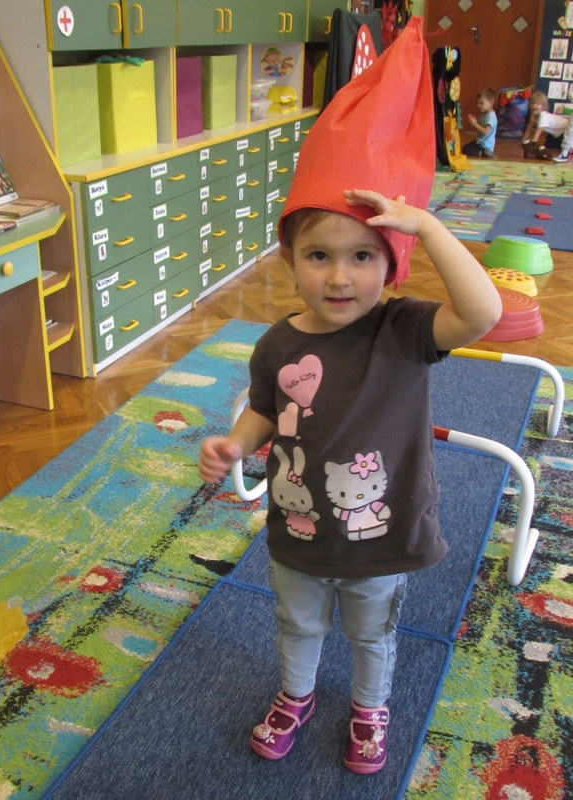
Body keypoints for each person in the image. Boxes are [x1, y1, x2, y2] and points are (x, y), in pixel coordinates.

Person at [198, 19, 502, 775]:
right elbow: (266, 409)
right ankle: (296, 695)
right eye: (319, 255)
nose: (340, 276)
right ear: (289, 258)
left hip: (380, 535)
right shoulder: (276, 345)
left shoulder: (405, 329)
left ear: (391, 264)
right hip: (299, 530)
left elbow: (483, 313)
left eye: (364, 255)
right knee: (297, 625)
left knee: (372, 634)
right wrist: (237, 443)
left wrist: (426, 226)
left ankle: (370, 709)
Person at [521, 90, 569, 160]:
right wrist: (523, 142)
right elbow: (528, 129)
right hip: (555, 133)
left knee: (565, 146)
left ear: (543, 106)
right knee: (549, 145)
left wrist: (533, 144)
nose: (534, 106)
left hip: (566, 130)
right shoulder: (533, 115)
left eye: (538, 104)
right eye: (532, 103)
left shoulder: (543, 116)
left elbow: (538, 133)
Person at [463, 88, 498, 158]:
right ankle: (484, 152)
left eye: (481, 103)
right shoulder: (484, 114)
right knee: (466, 148)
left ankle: (485, 152)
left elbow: (485, 132)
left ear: (491, 102)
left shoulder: (491, 116)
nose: (478, 106)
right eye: (478, 103)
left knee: (467, 150)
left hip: (485, 144)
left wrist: (474, 124)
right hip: (480, 142)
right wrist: (474, 121)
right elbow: (480, 127)